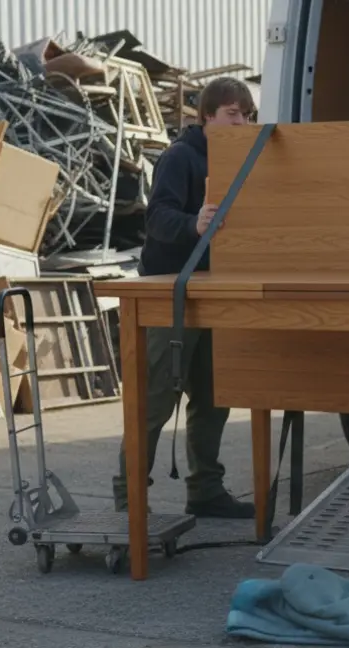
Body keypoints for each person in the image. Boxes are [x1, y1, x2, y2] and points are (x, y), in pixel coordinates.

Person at [110, 76, 258, 520]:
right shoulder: (180, 157)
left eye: (247, 116)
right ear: (207, 116)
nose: (242, 123)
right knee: (156, 398)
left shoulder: (240, 162)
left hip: (213, 290)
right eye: (233, 114)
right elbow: (157, 218)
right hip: (168, 290)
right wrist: (195, 223)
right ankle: (129, 498)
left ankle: (205, 491)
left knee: (214, 395)